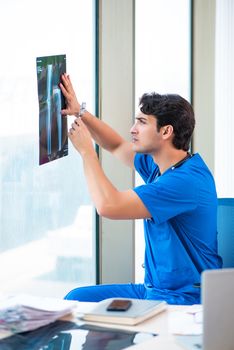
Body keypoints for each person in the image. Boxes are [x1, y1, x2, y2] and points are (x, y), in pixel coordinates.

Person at [59, 74, 222, 305]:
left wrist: (87, 152)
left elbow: (108, 206)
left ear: (166, 132)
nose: (133, 129)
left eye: (142, 122)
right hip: (152, 290)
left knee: (86, 308)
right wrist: (80, 113)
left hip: (183, 299)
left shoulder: (185, 182)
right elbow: (115, 145)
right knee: (77, 299)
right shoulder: (163, 165)